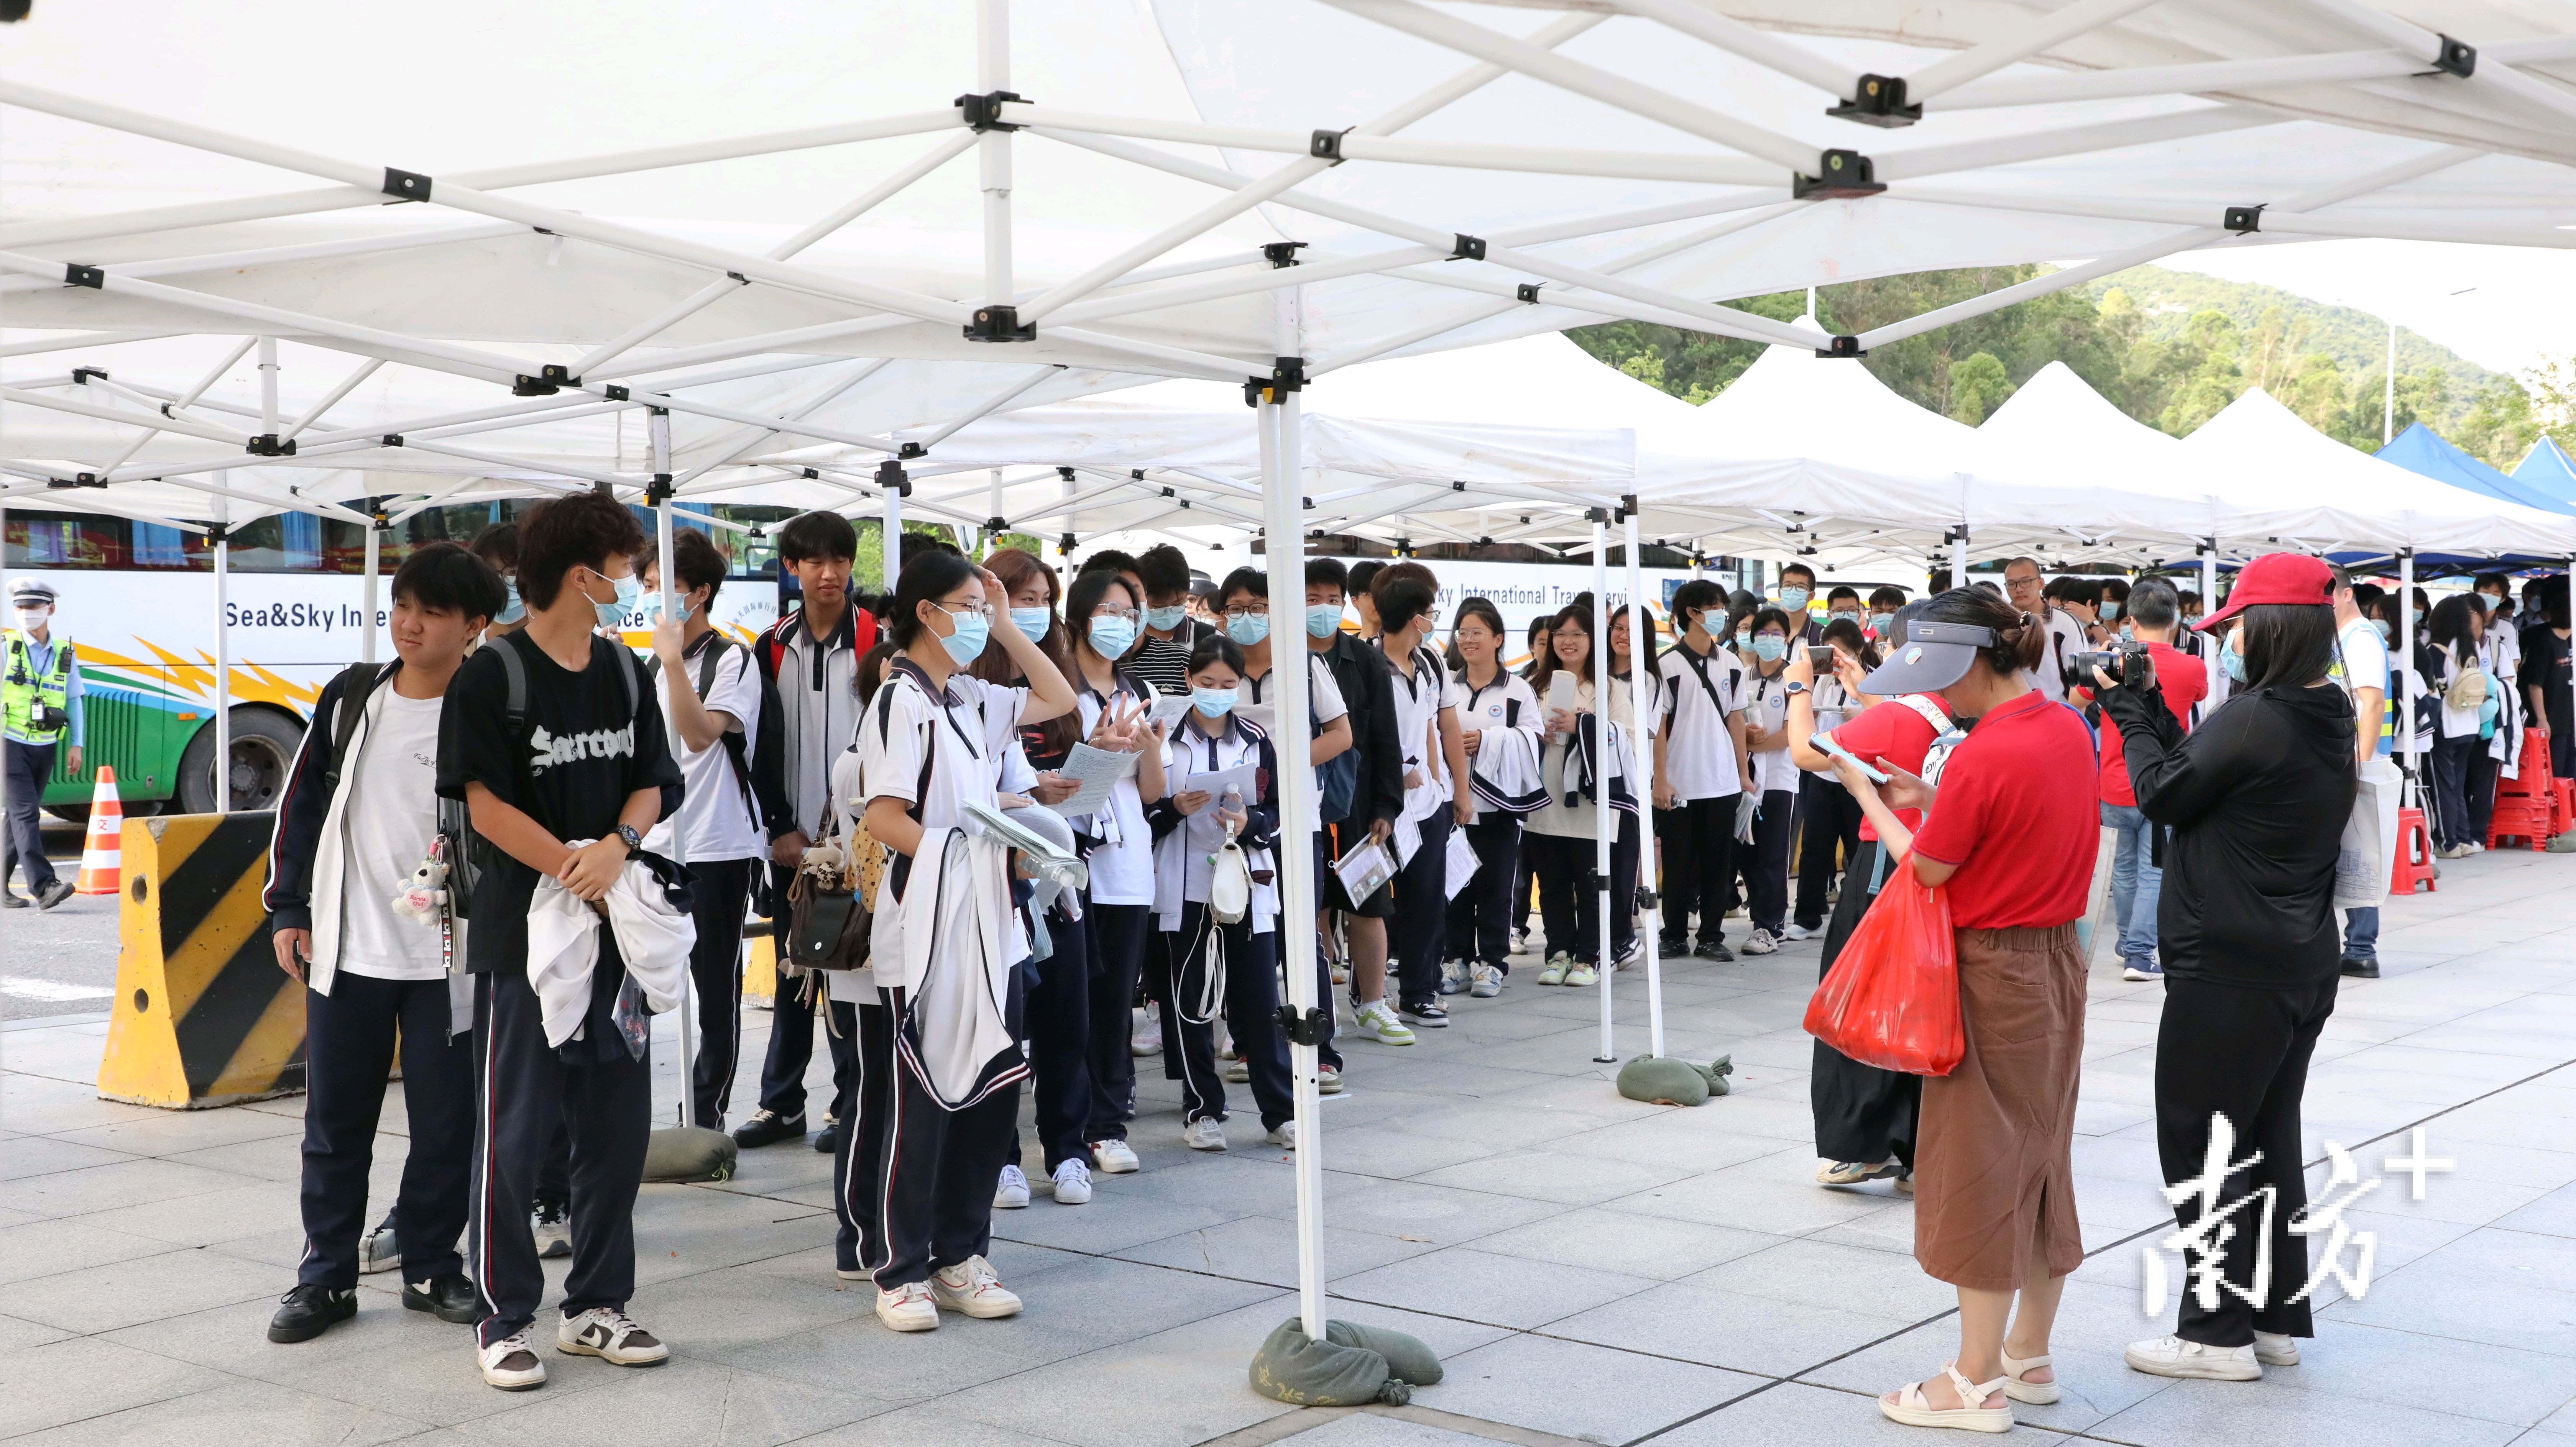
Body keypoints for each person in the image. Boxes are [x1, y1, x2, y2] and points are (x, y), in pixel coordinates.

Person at [1827, 591, 2097, 1433]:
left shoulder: (1984, 754)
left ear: (1974, 662)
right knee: (2041, 1153)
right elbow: (2004, 826)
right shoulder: (2061, 728)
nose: (1936, 695)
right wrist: (1927, 791)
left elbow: (1930, 870)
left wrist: (1869, 793)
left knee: (1980, 1162)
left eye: (1940, 676)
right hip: (2058, 960)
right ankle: (2028, 1353)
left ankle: (1973, 1381)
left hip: (1992, 971)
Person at [440, 491, 685, 1391]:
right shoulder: (493, 675)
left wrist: (615, 850)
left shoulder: (625, 673)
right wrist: (569, 865)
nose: (630, 583)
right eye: (622, 568)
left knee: (615, 1127)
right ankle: (503, 1314)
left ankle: (595, 1304)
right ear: (584, 574)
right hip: (524, 940)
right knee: (516, 1131)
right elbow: (483, 801)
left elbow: (657, 782)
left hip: (614, 929)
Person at [2097, 553, 2356, 1384]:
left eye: (2236, 627)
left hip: (2232, 965)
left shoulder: (2257, 716)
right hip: (2297, 959)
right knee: (2266, 1138)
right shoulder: (2324, 709)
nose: (2227, 643)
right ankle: (2272, 1317)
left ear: (2271, 628)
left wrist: (2130, 715)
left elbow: (2164, 794)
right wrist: (2148, 713)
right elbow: (2204, 778)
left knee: (2203, 1141)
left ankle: (2215, 1333)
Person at [261, 543, 503, 1344]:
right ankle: (324, 1276)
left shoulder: (488, 709)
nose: (411, 623)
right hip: (349, 948)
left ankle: (432, 1264)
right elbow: (298, 809)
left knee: (447, 1124)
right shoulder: (351, 696)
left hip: (448, 957)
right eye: (403, 605)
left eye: (432, 612)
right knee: (335, 1124)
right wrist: (288, 907)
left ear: (474, 626)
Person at [843, 549, 1076, 1332]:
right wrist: (968, 857)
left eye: (985, 605)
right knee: (924, 1099)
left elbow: (1058, 695)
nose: (979, 617)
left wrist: (1009, 625)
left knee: (990, 1091)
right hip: (931, 923)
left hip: (995, 927)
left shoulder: (970, 695)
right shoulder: (898, 700)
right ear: (925, 611)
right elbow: (885, 816)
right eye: (969, 605)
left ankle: (960, 1254)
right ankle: (900, 1267)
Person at [1787, 602, 1939, 1193]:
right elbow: (1907, 730)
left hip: (1883, 862)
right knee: (1918, 1001)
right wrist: (1862, 694)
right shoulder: (1953, 708)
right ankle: (1917, 1145)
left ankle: (1862, 1143)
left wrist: (1800, 688)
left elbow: (1806, 752)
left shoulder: (1896, 718)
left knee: (1856, 994)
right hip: (1932, 858)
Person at [973, 548, 1108, 1208]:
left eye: (1037, 598)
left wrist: (1068, 780)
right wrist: (1016, 802)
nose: (1028, 609)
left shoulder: (1028, 684)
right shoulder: (961, 688)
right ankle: (1001, 1157)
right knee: (1005, 1021)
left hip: (1053, 879)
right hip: (989, 882)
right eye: (1014, 597)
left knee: (1066, 1018)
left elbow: (1055, 703)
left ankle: (1068, 1150)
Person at [736, 512, 872, 1156]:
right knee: (794, 968)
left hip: (862, 842)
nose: (829, 573)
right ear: (790, 567)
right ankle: (782, 1101)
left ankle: (851, 1102)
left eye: (839, 560)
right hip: (794, 841)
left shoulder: (877, 639)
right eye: (814, 561)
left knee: (849, 970)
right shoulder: (769, 646)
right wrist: (777, 825)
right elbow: (758, 749)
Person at [1142, 634, 1298, 1151]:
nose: (1216, 692)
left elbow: (1278, 811)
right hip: (1183, 884)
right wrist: (1174, 811)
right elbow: (1143, 813)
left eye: (1228, 684)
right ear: (1189, 681)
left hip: (1245, 882)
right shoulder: (1164, 739)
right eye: (1207, 683)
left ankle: (1279, 1111)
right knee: (1189, 1001)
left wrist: (1248, 820)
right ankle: (1202, 1108)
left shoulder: (1255, 739)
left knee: (1258, 999)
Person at [636, 531, 766, 1130]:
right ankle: (628, 1109)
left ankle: (706, 1114)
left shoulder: (730, 659)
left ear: (702, 594)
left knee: (715, 986)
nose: (653, 600)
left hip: (715, 843)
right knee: (633, 981)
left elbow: (699, 734)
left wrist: (670, 661)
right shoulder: (643, 667)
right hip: (648, 844)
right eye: (647, 588)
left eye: (668, 590)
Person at [1222, 567, 1354, 1086]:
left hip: (1297, 819)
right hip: (1235, 822)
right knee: (1241, 930)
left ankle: (1320, 1050)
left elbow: (1341, 734)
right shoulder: (1216, 667)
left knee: (1300, 933)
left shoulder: (1305, 664)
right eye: (1235, 608)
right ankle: (1250, 1042)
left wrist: (1280, 770)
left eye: (1258, 606)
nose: (1247, 617)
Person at [1053, 566, 1164, 1171]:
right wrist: (1097, 750)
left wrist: (1147, 746)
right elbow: (1063, 797)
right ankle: (1071, 1123)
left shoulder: (1138, 690)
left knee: (1118, 995)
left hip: (1127, 866)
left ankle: (1108, 1121)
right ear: (1080, 619)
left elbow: (1153, 791)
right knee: (1075, 1000)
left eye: (1131, 613)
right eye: (1110, 613)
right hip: (1071, 864)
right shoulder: (1058, 692)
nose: (1122, 624)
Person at [1305, 558, 1410, 1047]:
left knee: (1370, 904)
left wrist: (1387, 807)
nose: (1322, 608)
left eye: (1331, 598)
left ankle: (1373, 1002)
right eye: (1311, 597)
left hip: (1360, 805)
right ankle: (1312, 1003)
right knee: (1311, 907)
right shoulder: (1278, 655)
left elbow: (1388, 737)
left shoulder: (1364, 659)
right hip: (1299, 805)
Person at [1521, 604, 1641, 984]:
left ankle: (1590, 955)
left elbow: (1629, 741)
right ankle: (1558, 952)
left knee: (1592, 884)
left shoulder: (1608, 688)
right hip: (1545, 799)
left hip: (1591, 806)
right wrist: (1534, 735)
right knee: (1553, 883)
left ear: (1592, 640)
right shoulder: (1532, 685)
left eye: (1578, 634)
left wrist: (1583, 725)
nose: (1568, 642)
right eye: (1561, 634)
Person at [2093, 579, 2206, 983]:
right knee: (2154, 870)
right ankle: (2140, 953)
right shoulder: (2193, 666)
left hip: (2113, 782)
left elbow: (2076, 697)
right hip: (2162, 783)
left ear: (2132, 621)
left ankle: (2128, 943)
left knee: (2122, 871)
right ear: (2175, 620)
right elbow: (2197, 698)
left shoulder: (2111, 663)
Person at [1373, 568, 1472, 1025]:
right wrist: (1395, 774)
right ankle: (1370, 995)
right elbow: (1353, 735)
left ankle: (1419, 990)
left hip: (1429, 802)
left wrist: (1457, 788)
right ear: (1416, 617)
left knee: (1429, 898)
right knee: (1373, 904)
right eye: (1431, 613)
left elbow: (1445, 725)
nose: (1434, 620)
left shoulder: (1430, 661)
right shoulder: (1367, 663)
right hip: (1381, 804)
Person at [1447, 598, 1541, 996]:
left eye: (1477, 633)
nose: (1468, 640)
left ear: (1498, 638)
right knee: (1454, 888)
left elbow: (1535, 740)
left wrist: (1488, 740)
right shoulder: (1447, 685)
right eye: (1463, 632)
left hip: (1499, 807)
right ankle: (1457, 960)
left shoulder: (1518, 688)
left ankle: (1493, 962)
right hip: (1452, 805)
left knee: (1495, 886)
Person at [1653, 579, 1751, 962]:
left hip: (1722, 780)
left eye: (1721, 607)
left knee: (1718, 862)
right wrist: (1660, 779)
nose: (1720, 615)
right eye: (1712, 607)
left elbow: (1737, 719)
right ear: (1691, 614)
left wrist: (1743, 774)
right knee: (1678, 863)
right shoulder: (1667, 665)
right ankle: (1674, 932)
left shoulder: (1731, 663)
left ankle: (1711, 934)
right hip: (1680, 782)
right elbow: (1658, 726)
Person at [2327, 567, 2396, 980]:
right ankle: (2352, 946)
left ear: (2347, 594)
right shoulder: (2340, 639)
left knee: (2359, 854)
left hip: (2357, 764)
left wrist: (2359, 767)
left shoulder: (2362, 639)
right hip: (2343, 762)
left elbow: (2370, 705)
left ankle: (2361, 948)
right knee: (2349, 852)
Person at [1787, 618, 1874, 941]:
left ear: (1859, 651)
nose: (1838, 660)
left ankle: (1861, 916)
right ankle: (1807, 916)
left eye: (1845, 652)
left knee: (1858, 847)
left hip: (1856, 777)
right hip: (1822, 774)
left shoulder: (1871, 681)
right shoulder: (1821, 680)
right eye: (1831, 652)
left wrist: (1863, 713)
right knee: (1815, 847)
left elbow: (1883, 717)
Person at [2, 578, 80, 909]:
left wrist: (77, 744)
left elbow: (75, 700)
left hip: (46, 744)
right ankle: (44, 886)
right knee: (26, 812)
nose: (26, 613)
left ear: (51, 608)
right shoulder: (6, 647)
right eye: (20, 607)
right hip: (9, 742)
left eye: (33, 606)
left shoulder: (64, 652)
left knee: (16, 817)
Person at [1733, 607, 1802, 956]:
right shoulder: (1741, 676)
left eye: (1777, 634)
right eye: (1763, 633)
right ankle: (1759, 919)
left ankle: (1770, 926)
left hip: (1778, 780)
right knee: (1747, 853)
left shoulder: (1795, 679)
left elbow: (1793, 734)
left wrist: (1752, 741)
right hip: (1744, 780)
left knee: (1773, 855)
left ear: (1787, 638)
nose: (1770, 640)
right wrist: (1745, 742)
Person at [2425, 593, 2487, 858]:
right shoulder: (2473, 646)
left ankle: (2448, 843)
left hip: (2446, 726)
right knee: (2459, 785)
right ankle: (2464, 839)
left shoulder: (2436, 650)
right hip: (2470, 725)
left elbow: (2434, 686)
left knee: (2444, 786)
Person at [1126, 543, 1213, 694]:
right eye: (1159, 606)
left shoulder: (1210, 639)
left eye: (1178, 603)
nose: (1169, 611)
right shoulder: (1125, 642)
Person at [2003, 557, 2087, 704]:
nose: (2019, 589)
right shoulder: (2000, 622)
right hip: (2011, 715)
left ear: (2041, 584)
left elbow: (2081, 680)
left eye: (2025, 581)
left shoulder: (2064, 623)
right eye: (2011, 584)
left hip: (2057, 714)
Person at [2524, 578, 2572, 784]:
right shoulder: (2546, 642)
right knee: (2557, 773)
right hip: (2555, 719)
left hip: (2572, 719)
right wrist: (2542, 719)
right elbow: (2536, 685)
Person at [1774, 562, 1823, 645]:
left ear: (1811, 596)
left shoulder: (1820, 636)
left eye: (1801, 587)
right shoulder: (1767, 633)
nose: (1793, 591)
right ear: (1780, 593)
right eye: (1788, 586)